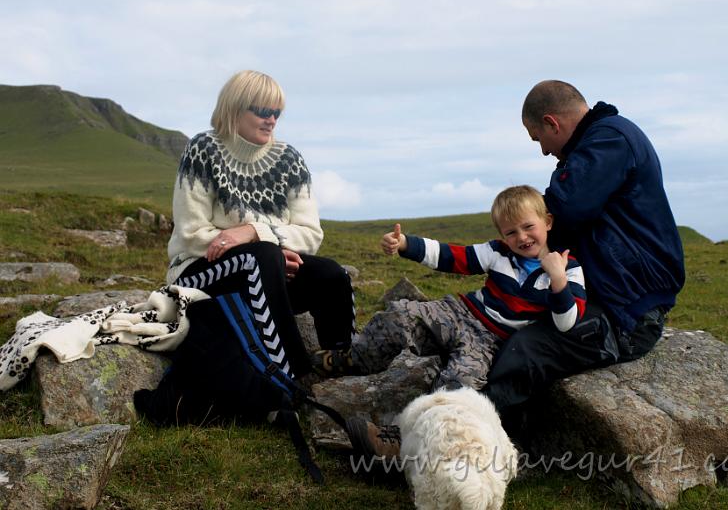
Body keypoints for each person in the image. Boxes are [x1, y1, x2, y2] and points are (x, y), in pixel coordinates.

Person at [337, 185, 596, 457]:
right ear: (502, 236)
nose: (521, 237)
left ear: (548, 222)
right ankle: (355, 360)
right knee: (399, 316)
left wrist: (558, 279)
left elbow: (567, 322)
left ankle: (400, 442)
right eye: (510, 232)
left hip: (488, 342)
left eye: (528, 226)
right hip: (460, 312)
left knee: (457, 389)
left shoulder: (569, 269)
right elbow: (453, 257)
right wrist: (405, 244)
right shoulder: (498, 252)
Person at [482, 79, 686, 419]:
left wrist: (516, 235)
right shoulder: (600, 142)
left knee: (526, 348)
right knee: (502, 323)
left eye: (539, 139)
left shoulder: (609, 141)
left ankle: (455, 434)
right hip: (613, 298)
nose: (544, 151)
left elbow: (566, 208)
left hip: (628, 315)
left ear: (552, 123)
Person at [166, 69, 355, 379]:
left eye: (277, 112)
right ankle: (295, 373)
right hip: (199, 274)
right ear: (235, 109)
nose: (272, 120)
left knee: (331, 273)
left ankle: (339, 360)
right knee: (263, 259)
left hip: (269, 271)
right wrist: (264, 249)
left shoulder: (289, 159)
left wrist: (254, 232)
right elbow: (191, 234)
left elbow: (311, 234)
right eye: (263, 111)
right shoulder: (204, 150)